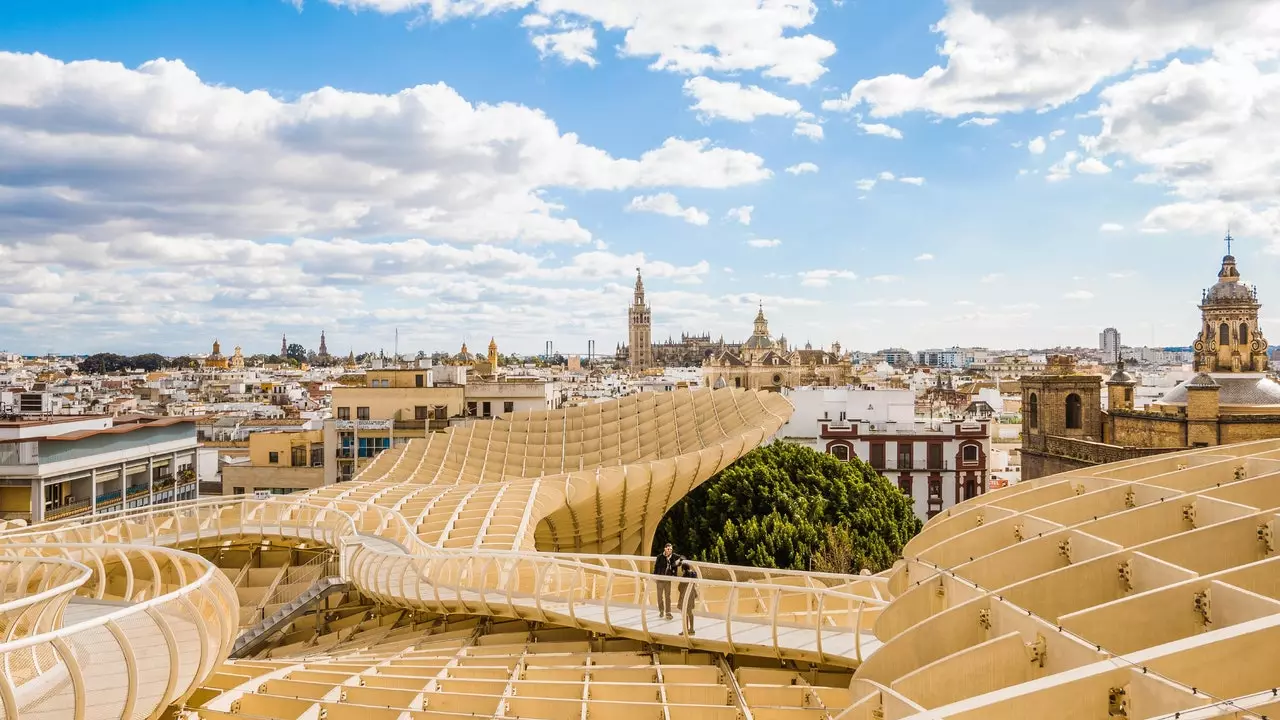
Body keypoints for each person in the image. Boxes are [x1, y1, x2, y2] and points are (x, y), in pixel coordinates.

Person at [654, 542, 681, 620]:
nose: (670, 551)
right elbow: (655, 568)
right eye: (668, 549)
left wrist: (678, 562)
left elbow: (683, 557)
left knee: (667, 597)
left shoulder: (673, 556)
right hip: (660, 580)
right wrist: (655, 577)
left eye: (671, 549)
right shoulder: (659, 557)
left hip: (668, 580)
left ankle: (668, 612)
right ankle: (661, 610)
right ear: (665, 549)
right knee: (659, 596)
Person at [677, 558, 699, 636]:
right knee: (690, 612)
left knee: (684, 614)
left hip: (685, 597)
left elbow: (680, 588)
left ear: (683, 569)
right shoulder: (693, 574)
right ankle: (692, 629)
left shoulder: (684, 576)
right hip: (691, 595)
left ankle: (685, 629)